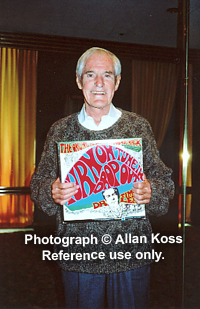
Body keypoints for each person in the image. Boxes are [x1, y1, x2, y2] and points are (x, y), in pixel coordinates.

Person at [30, 47, 175, 309]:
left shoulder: (138, 126)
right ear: (78, 80)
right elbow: (38, 182)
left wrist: (152, 190)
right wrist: (51, 191)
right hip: (79, 254)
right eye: (90, 75)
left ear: (117, 82)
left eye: (107, 75)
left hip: (131, 252)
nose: (99, 83)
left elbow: (164, 179)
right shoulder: (60, 129)